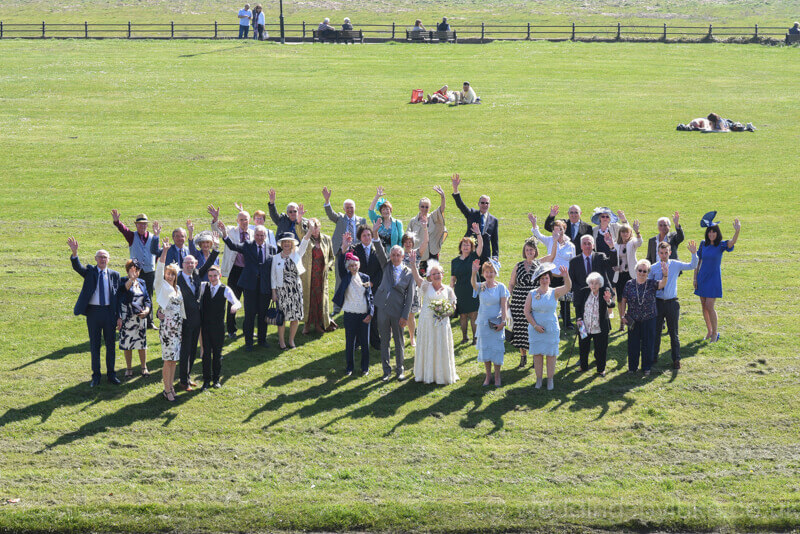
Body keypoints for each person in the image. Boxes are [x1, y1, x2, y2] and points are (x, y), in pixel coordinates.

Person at [68, 237, 121, 387]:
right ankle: (96, 376)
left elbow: (117, 297)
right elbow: (77, 267)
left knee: (110, 345)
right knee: (95, 346)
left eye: (105, 257)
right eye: (100, 257)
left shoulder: (114, 275)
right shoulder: (90, 272)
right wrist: (74, 253)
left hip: (109, 313)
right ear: (95, 259)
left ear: (109, 259)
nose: (103, 259)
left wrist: (118, 317)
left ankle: (111, 374)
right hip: (93, 313)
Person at [217, 221, 274, 351]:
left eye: (262, 235)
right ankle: (248, 343)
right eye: (258, 235)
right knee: (250, 314)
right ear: (254, 236)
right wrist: (225, 234)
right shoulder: (248, 245)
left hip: (265, 287)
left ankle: (262, 340)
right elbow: (233, 246)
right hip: (250, 286)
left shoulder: (271, 248)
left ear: (266, 236)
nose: (260, 237)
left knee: (263, 314)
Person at [208, 205, 258, 339]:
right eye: (241, 219)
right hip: (234, 270)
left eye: (246, 219)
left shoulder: (254, 234)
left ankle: (248, 329)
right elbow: (217, 232)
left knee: (250, 302)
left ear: (249, 220)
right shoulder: (231, 230)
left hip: (248, 272)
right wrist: (215, 219)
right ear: (237, 221)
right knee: (232, 300)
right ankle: (231, 329)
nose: (244, 222)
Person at [409, 251, 459, 385]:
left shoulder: (448, 290)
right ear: (430, 276)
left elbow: (453, 308)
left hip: (442, 324)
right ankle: (426, 374)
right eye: (434, 274)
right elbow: (417, 277)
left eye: (439, 273)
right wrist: (413, 264)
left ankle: (442, 375)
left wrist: (445, 312)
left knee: (441, 346)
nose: (437, 276)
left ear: (442, 275)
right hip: (427, 323)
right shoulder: (426, 286)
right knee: (428, 345)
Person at [648, 241, 698, 369]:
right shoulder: (653, 268)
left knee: (673, 333)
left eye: (666, 253)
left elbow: (692, 265)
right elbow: (648, 285)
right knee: (656, 332)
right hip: (658, 303)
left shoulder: (675, 264)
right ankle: (653, 356)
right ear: (658, 254)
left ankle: (676, 359)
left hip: (672, 303)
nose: (664, 255)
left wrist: (694, 254)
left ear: (670, 253)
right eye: (661, 253)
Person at [508, 236, 556, 368]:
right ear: (524, 251)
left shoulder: (539, 265)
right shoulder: (518, 266)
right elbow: (511, 284)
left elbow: (552, 256)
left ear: (535, 251)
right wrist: (508, 299)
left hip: (534, 300)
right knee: (519, 329)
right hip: (518, 301)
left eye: (532, 250)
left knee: (533, 329)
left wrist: (556, 239)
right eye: (527, 250)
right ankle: (523, 356)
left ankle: (536, 357)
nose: (529, 252)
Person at [175, 248, 219, 390]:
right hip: (184, 320)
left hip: (196, 320)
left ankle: (187, 377)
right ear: (183, 264)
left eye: (192, 263)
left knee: (193, 350)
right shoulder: (177, 278)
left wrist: (216, 249)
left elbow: (209, 264)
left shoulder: (197, 274)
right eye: (187, 263)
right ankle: (183, 381)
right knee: (185, 351)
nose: (189, 265)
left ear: (195, 264)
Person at [525, 264, 572, 390]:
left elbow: (568, 287)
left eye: (546, 278)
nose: (544, 281)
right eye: (542, 279)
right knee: (538, 354)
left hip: (550, 328)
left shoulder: (554, 292)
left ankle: (550, 379)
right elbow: (526, 311)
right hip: (536, 328)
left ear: (550, 279)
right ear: (539, 280)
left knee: (551, 354)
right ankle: (539, 379)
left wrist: (566, 276)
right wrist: (535, 325)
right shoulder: (532, 293)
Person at [694, 213, 741, 342]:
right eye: (710, 232)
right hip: (702, 278)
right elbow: (698, 262)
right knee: (703, 306)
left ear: (717, 233)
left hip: (713, 280)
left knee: (710, 306)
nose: (711, 234)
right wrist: (695, 278)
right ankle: (709, 331)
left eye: (714, 232)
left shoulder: (721, 245)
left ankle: (715, 333)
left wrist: (737, 231)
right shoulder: (703, 244)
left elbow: (731, 243)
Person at [374, 245, 416, 381]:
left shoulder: (409, 273)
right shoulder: (386, 266)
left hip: (398, 311)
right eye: (393, 255)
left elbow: (409, 297)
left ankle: (400, 370)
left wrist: (405, 316)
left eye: (398, 255)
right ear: (390, 256)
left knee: (399, 341)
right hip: (383, 309)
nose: (395, 258)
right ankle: (386, 371)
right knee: (384, 340)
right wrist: (375, 234)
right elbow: (379, 249)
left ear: (403, 257)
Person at [322, 186, 367, 314]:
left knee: (356, 279)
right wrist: (327, 201)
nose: (349, 210)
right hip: (341, 252)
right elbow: (330, 214)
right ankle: (337, 308)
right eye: (347, 208)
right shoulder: (340, 218)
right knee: (339, 280)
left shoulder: (361, 220)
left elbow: (364, 235)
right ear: (344, 209)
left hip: (356, 255)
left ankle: (355, 306)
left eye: (351, 207)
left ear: (355, 208)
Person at [620, 259, 668, 375]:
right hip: (633, 319)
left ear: (648, 272)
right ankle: (632, 368)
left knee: (648, 344)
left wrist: (665, 274)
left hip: (649, 318)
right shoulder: (629, 284)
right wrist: (622, 316)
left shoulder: (651, 283)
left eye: (645, 271)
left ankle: (646, 367)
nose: (642, 273)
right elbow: (623, 300)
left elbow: (662, 284)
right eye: (640, 270)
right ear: (636, 270)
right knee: (633, 344)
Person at [111, 209, 158, 328]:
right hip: (135, 272)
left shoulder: (153, 237)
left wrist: (154, 263)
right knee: (134, 294)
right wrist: (117, 222)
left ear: (147, 225)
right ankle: (134, 318)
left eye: (144, 224)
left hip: (149, 271)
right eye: (140, 224)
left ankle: (149, 321)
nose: (142, 226)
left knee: (148, 296)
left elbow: (157, 253)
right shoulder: (132, 236)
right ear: (136, 225)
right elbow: (123, 230)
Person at [530, 214, 576, 328]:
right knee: (549, 298)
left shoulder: (570, 245)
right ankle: (548, 319)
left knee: (565, 301)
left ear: (564, 230)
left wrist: (571, 276)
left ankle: (567, 322)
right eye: (555, 230)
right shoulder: (549, 240)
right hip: (551, 275)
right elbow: (538, 235)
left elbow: (573, 261)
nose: (557, 233)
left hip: (564, 276)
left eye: (560, 230)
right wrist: (534, 224)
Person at [199, 266, 242, 390]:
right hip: (205, 326)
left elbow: (237, 302)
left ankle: (216, 379)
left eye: (215, 276)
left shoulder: (225, 289)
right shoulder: (204, 286)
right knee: (206, 353)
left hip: (218, 326)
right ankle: (206, 380)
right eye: (210, 276)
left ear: (220, 276)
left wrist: (234, 307)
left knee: (217, 354)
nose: (212, 278)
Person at [332, 251, 374, 376]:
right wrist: (343, 249)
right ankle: (349, 368)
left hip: (363, 315)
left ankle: (365, 368)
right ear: (348, 267)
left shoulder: (365, 278)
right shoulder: (346, 277)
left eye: (356, 265)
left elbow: (370, 297)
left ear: (359, 265)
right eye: (351, 266)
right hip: (350, 314)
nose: (354, 267)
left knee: (365, 344)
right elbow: (340, 266)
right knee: (350, 343)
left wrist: (370, 313)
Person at [346, 225, 387, 350]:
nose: (367, 237)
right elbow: (350, 266)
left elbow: (382, 269)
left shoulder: (378, 249)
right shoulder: (355, 250)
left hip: (374, 288)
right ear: (360, 237)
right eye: (364, 235)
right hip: (358, 287)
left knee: (373, 314)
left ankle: (375, 340)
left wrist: (373, 283)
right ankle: (358, 341)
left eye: (369, 235)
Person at [272, 227, 311, 349]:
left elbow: (305, 242)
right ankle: (282, 341)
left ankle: (291, 340)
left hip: (295, 290)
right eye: (284, 242)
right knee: (282, 317)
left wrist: (310, 230)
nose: (287, 244)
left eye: (289, 242)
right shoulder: (276, 258)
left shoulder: (297, 254)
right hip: (282, 290)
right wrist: (274, 293)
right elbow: (272, 277)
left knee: (295, 317)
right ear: (281, 244)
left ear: (292, 243)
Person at [471, 258, 509, 387]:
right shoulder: (481, 286)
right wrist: (473, 272)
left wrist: (503, 322)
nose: (489, 274)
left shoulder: (501, 287)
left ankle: (497, 376)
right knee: (485, 349)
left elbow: (504, 306)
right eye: (486, 272)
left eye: (492, 272)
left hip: (496, 324)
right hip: (483, 323)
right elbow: (472, 284)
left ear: (496, 273)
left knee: (496, 349)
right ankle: (488, 376)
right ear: (483, 273)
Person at [154, 241, 183, 401]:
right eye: (168, 273)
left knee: (174, 360)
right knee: (167, 360)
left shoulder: (177, 289)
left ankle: (171, 386)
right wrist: (164, 251)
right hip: (167, 329)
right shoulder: (161, 286)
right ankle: (166, 390)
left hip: (177, 329)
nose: (170, 276)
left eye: (173, 274)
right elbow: (159, 269)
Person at [297, 218, 337, 334]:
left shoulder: (326, 239)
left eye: (315, 228)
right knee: (309, 299)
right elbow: (299, 229)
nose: (314, 230)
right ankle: (307, 324)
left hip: (321, 275)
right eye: (311, 228)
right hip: (308, 275)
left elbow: (331, 257)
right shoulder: (306, 237)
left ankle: (318, 324)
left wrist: (328, 266)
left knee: (319, 300)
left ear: (319, 227)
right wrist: (299, 219)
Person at [451, 173, 498, 262]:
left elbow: (495, 241)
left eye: (487, 203)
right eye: (482, 203)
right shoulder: (472, 214)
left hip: (485, 255)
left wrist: (495, 256)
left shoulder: (493, 220)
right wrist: (455, 189)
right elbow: (461, 205)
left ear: (489, 205)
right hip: (470, 253)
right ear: (478, 204)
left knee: (484, 276)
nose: (484, 205)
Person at [574, 272, 615, 376]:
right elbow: (578, 306)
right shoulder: (584, 292)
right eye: (592, 283)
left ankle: (601, 369)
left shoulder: (604, 292)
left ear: (600, 284)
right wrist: (578, 318)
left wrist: (608, 301)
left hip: (599, 327)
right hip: (584, 326)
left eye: (596, 283)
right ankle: (583, 366)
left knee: (601, 349)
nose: (594, 285)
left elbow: (612, 304)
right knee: (583, 347)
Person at [117, 259, 152, 379]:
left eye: (137, 270)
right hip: (128, 319)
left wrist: (147, 310)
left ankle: (144, 367)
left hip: (141, 318)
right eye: (132, 270)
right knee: (128, 344)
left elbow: (147, 299)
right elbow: (124, 294)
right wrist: (131, 280)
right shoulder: (122, 281)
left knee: (142, 344)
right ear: (127, 270)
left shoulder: (142, 282)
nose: (135, 272)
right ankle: (129, 368)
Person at [399, 218, 429, 347]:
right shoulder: (397, 254)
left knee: (411, 315)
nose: (408, 244)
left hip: (413, 289)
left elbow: (426, 241)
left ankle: (412, 338)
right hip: (400, 289)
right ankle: (400, 338)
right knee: (399, 315)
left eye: (410, 242)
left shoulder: (416, 254)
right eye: (406, 242)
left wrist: (425, 228)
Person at [451, 226, 484, 344]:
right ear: (460, 247)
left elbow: (481, 246)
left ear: (471, 247)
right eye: (464, 245)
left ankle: (475, 338)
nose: (465, 247)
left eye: (468, 245)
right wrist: (450, 293)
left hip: (473, 289)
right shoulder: (454, 261)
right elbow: (452, 278)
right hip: (460, 290)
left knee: (474, 315)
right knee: (463, 315)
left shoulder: (474, 257)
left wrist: (479, 234)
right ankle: (464, 337)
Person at [611, 221, 642, 331]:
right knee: (620, 300)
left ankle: (631, 321)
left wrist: (637, 231)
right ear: (620, 233)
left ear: (630, 233)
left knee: (631, 299)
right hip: (620, 275)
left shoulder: (632, 243)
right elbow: (613, 260)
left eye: (627, 232)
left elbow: (640, 242)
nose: (625, 234)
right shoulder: (616, 244)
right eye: (623, 232)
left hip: (631, 275)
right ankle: (622, 321)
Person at [407, 186, 447, 265]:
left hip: (432, 253)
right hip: (419, 254)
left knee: (433, 276)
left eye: (426, 207)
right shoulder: (413, 221)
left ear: (429, 208)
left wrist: (443, 197)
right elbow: (407, 237)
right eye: (422, 206)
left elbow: (441, 209)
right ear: (419, 207)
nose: (424, 209)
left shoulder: (433, 217)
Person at [369, 186, 404, 254]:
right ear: (381, 212)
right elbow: (370, 211)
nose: (385, 211)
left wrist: (397, 253)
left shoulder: (397, 223)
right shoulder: (377, 220)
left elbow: (401, 240)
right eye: (383, 210)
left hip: (394, 255)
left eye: (387, 209)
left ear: (390, 210)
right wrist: (377, 197)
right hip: (379, 254)